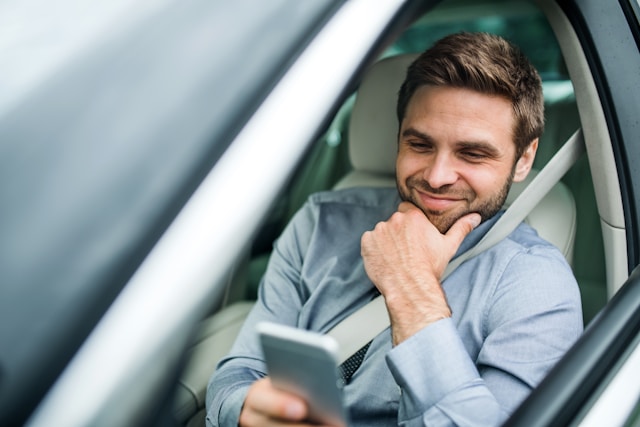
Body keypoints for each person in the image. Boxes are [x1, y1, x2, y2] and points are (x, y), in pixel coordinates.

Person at [206, 32, 583, 427]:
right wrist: (248, 409)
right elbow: (240, 371)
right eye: (419, 145)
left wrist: (410, 290)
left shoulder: (539, 287)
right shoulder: (320, 222)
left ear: (524, 159)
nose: (437, 178)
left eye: (472, 153)